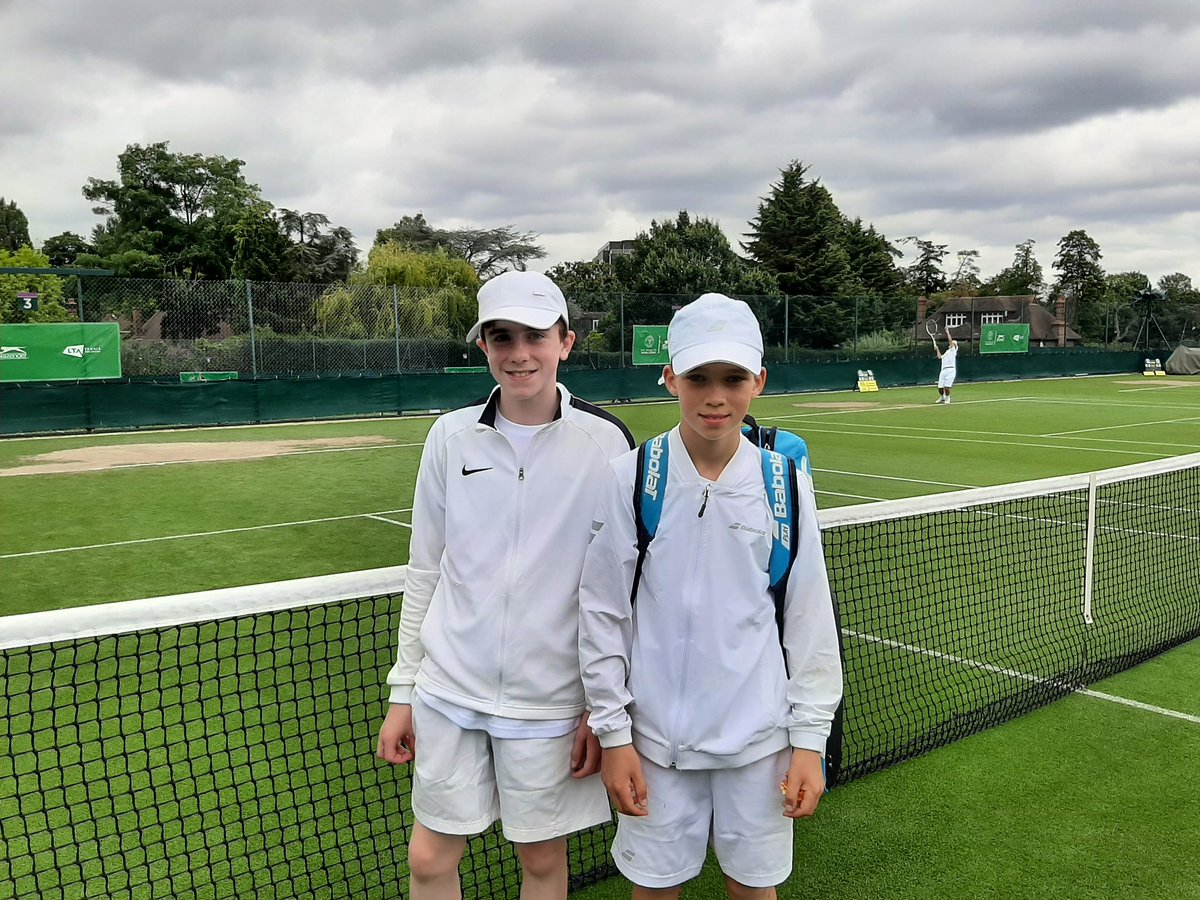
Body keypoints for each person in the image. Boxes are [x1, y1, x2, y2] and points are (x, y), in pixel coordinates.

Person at [377, 270, 635, 900]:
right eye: (501, 337)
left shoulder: (608, 443)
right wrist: (404, 690)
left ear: (566, 342)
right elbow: (425, 568)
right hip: (448, 692)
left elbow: (621, 592)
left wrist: (601, 711)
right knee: (429, 860)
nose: (519, 352)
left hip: (551, 704)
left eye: (534, 336)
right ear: (485, 347)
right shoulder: (450, 435)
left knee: (541, 863)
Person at [578, 293, 844, 900]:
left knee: (753, 890)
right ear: (670, 377)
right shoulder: (631, 477)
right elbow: (602, 614)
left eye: (733, 378)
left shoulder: (786, 486)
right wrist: (615, 735)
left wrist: (809, 741)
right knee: (654, 889)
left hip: (760, 747)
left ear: (759, 381)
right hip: (652, 748)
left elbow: (808, 618)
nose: (716, 396)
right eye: (698, 377)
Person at [934, 330, 958, 403]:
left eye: (953, 344)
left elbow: (950, 340)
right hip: (943, 371)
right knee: (940, 388)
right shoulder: (947, 353)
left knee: (947, 388)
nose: (951, 344)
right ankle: (942, 397)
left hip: (951, 370)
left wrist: (947, 332)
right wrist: (937, 349)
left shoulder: (953, 351)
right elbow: (939, 357)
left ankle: (947, 398)